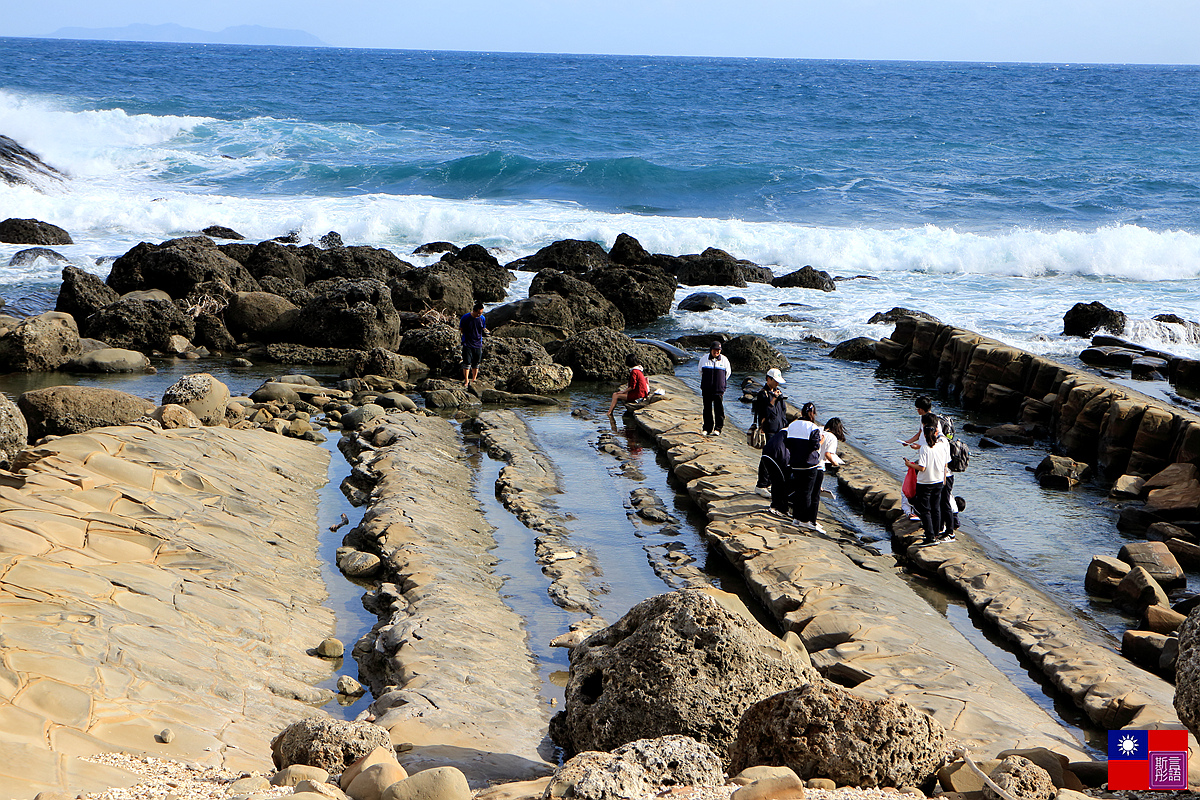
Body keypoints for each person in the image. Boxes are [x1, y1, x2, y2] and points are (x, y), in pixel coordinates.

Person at [902, 395, 959, 536]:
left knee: (936, 505)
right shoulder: (937, 442)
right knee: (936, 505)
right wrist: (911, 442)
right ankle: (938, 529)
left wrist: (911, 461)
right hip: (939, 476)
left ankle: (942, 531)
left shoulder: (936, 441)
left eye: (917, 409)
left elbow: (925, 466)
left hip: (937, 476)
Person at [904, 413, 952, 545]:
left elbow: (922, 468)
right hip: (938, 481)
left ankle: (930, 536)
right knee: (936, 508)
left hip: (925, 482)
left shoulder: (924, 448)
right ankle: (936, 534)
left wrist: (909, 465)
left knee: (925, 510)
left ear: (924, 435)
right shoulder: (941, 445)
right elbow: (945, 464)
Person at [785, 402, 824, 533]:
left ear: (801, 412)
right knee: (807, 492)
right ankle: (805, 520)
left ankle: (796, 518)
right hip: (809, 464)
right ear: (812, 414)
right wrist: (821, 442)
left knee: (798, 490)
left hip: (795, 463)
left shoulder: (792, 424)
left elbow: (787, 442)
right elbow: (815, 445)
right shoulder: (813, 427)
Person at [752, 368, 788, 496]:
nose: (777, 384)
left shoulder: (778, 393)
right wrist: (773, 400)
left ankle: (769, 483)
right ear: (768, 379)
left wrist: (785, 426)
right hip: (768, 429)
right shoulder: (763, 394)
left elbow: (783, 412)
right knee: (767, 457)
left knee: (778, 457)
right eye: (775, 381)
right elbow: (765, 412)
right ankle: (761, 484)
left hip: (779, 429)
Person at [699, 340, 732, 436]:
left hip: (718, 389)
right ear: (711, 350)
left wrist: (720, 382)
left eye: (718, 350)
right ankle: (707, 428)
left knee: (719, 409)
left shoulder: (724, 360)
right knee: (707, 409)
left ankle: (718, 428)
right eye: (714, 350)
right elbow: (700, 371)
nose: (716, 352)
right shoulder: (704, 359)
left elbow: (728, 373)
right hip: (706, 388)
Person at [758, 428, 790, 518]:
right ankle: (778, 507)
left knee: (776, 480)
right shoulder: (792, 434)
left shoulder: (783, 432)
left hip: (767, 454)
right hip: (777, 455)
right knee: (781, 481)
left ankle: (776, 505)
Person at [459, 301, 489, 389]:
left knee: (476, 363)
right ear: (474, 311)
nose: (480, 314)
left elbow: (483, 328)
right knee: (467, 362)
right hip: (467, 343)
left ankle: (474, 379)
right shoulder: (465, 317)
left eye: (481, 312)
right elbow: (461, 328)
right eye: (479, 313)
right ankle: (466, 380)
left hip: (478, 343)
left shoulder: (482, 318)